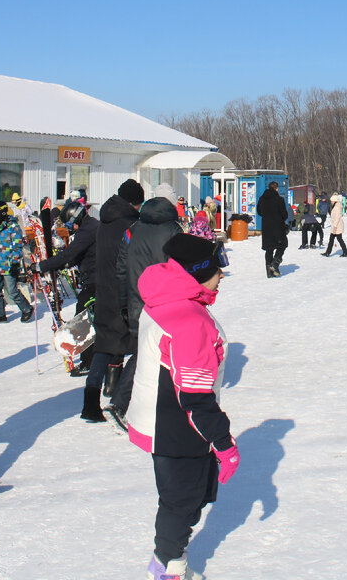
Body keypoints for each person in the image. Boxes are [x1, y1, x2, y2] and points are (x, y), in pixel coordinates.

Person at [125, 233, 237, 580]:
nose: (222, 276)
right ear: (199, 273)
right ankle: (166, 566)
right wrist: (223, 443)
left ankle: (171, 560)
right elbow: (195, 396)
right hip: (177, 428)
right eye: (218, 269)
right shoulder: (190, 319)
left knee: (183, 497)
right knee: (182, 502)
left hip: (160, 419)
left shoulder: (167, 298)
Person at [109, 194, 184, 428]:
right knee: (150, 352)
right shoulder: (173, 230)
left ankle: (159, 399)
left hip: (135, 299)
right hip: (165, 299)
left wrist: (123, 301)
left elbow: (121, 268)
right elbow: (181, 265)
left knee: (149, 348)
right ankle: (119, 403)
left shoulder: (132, 230)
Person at [87, 179, 144, 424]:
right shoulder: (130, 224)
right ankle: (120, 396)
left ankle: (90, 402)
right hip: (122, 291)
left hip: (103, 290)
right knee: (135, 342)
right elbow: (131, 261)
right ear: (134, 203)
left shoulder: (105, 221)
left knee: (104, 345)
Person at [31, 199, 98, 375]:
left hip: (97, 281)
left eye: (70, 223)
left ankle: (88, 362)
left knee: (83, 320)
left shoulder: (88, 231)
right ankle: (93, 358)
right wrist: (65, 264)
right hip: (96, 279)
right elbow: (79, 254)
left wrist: (44, 266)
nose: (69, 228)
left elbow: (71, 253)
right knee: (90, 318)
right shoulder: (90, 227)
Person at [0, 201, 34, 325]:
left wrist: (15, 263)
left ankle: (27, 309)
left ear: (2, 213)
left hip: (8, 264)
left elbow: (17, 246)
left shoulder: (13, 226)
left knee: (12, 291)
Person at [256, 181, 289, 278]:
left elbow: (259, 211)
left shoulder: (262, 199)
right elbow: (284, 214)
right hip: (278, 226)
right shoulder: (279, 199)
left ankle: (269, 271)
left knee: (269, 249)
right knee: (282, 244)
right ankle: (275, 263)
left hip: (266, 227)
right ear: (276, 188)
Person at [322, 193, 347, 257]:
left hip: (337, 226)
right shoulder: (336, 206)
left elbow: (337, 217)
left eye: (332, 201)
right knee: (332, 239)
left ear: (335, 201)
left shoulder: (337, 207)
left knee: (339, 239)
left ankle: (345, 252)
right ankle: (328, 252)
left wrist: (335, 227)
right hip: (335, 225)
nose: (331, 202)